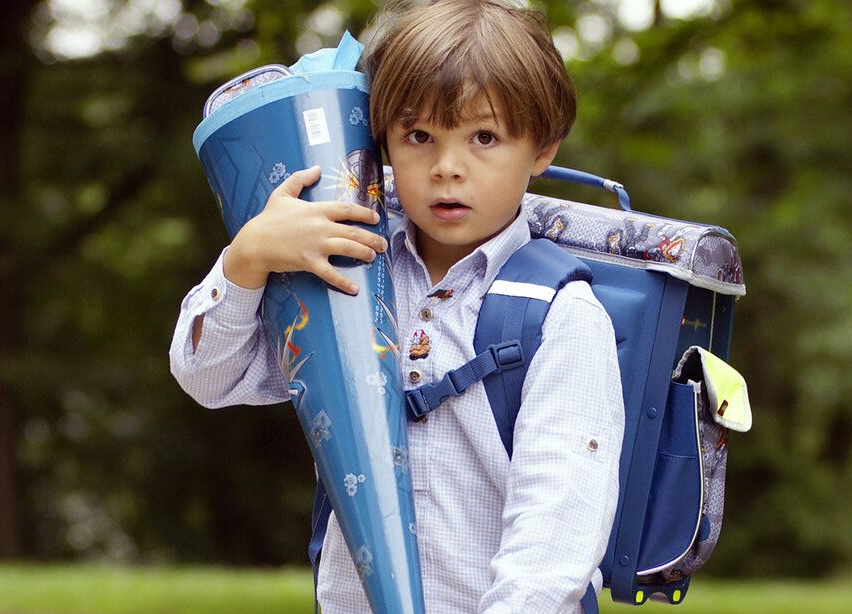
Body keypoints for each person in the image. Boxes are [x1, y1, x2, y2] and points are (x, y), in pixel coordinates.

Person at [170, 0, 624, 611]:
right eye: (419, 136)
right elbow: (209, 378)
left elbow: (556, 530)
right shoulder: (345, 263)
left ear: (542, 149)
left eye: (484, 137)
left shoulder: (561, 315)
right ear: (380, 141)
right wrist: (246, 260)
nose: (447, 168)